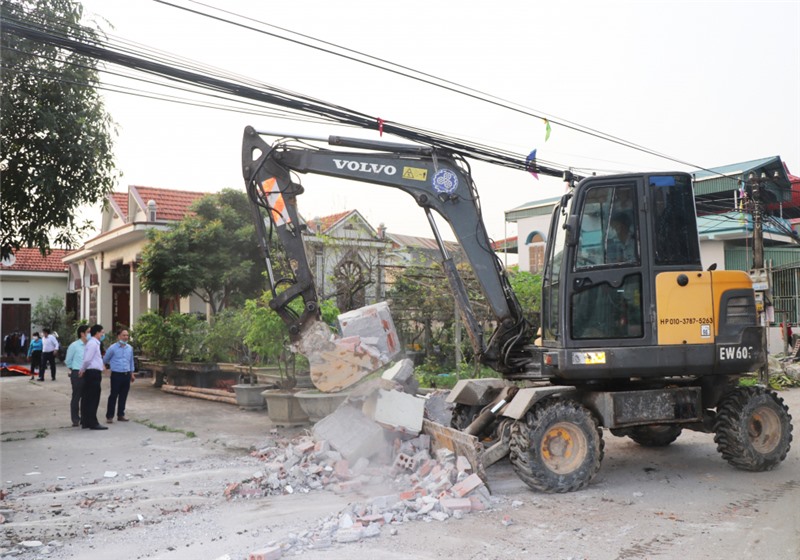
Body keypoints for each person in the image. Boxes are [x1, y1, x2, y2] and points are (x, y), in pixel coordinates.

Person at [79, 324, 108, 430]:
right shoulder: (93, 343)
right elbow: (87, 359)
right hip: (92, 373)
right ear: (97, 333)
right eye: (102, 332)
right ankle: (92, 422)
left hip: (92, 372)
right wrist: (82, 369)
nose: (103, 334)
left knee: (88, 397)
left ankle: (86, 421)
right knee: (93, 398)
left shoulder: (93, 343)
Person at [103, 329, 136, 423]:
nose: (126, 337)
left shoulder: (129, 348)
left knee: (123, 395)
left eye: (127, 335)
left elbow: (131, 361)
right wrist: (105, 369)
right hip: (116, 374)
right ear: (119, 336)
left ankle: (121, 414)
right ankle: (110, 416)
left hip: (126, 374)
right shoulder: (112, 348)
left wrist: (132, 373)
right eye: (123, 335)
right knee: (113, 395)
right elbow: (105, 360)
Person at [65, 325, 89, 427]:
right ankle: (75, 419)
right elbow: (68, 360)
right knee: (76, 396)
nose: (90, 334)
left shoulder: (91, 345)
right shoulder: (74, 345)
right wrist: (74, 369)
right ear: (82, 334)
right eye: (88, 332)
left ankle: (85, 418)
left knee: (87, 397)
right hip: (77, 374)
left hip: (89, 373)